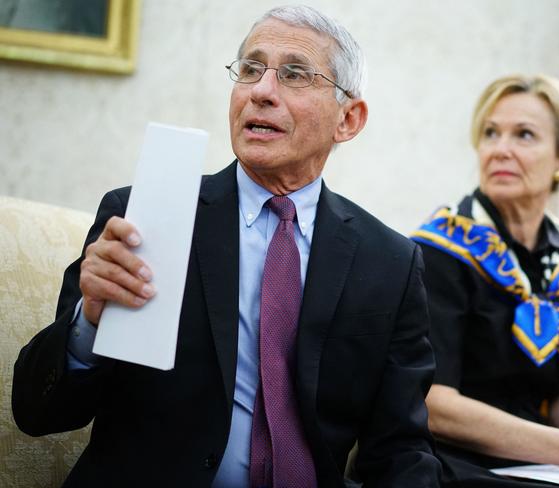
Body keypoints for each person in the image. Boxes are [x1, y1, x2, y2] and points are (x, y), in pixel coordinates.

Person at [12, 6, 441, 488]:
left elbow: (401, 447)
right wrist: (88, 323)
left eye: (295, 74)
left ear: (349, 119)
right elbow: (37, 412)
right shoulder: (148, 217)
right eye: (250, 70)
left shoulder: (390, 262)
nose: (261, 91)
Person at [411, 74, 559, 487]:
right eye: (490, 133)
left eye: (524, 135)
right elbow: (435, 405)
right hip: (440, 458)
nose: (500, 149)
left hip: (535, 457)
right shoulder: (436, 250)